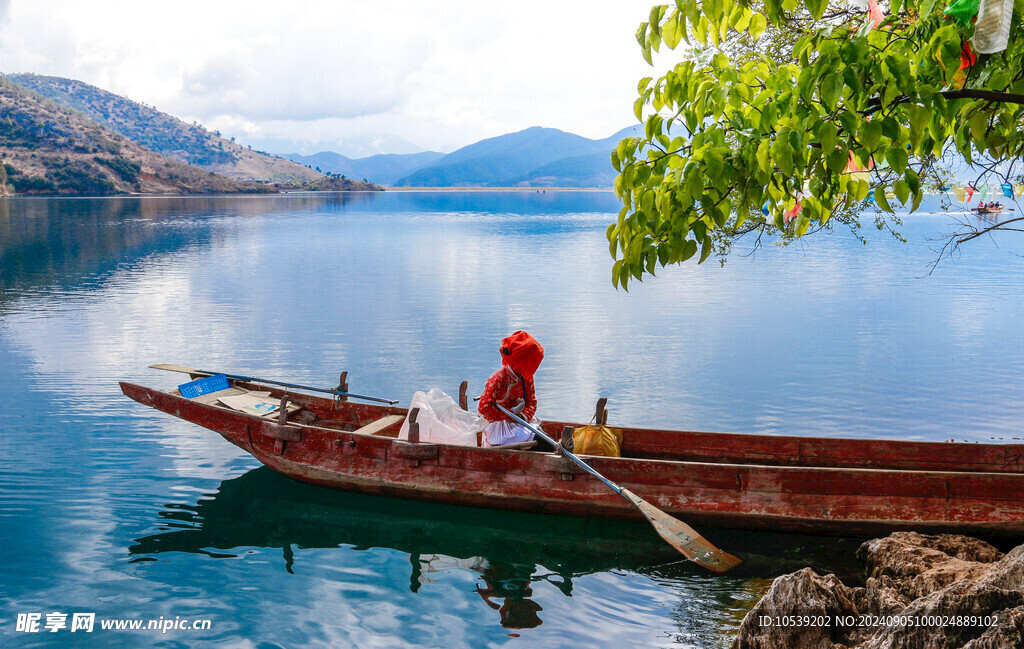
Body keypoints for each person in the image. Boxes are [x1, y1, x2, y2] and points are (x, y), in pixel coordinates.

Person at [477, 331, 544, 447]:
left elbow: (532, 401)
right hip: (498, 426)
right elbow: (484, 407)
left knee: (543, 438)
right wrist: (509, 415)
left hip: (521, 422)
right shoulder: (499, 378)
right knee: (539, 441)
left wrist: (522, 416)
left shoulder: (527, 377)